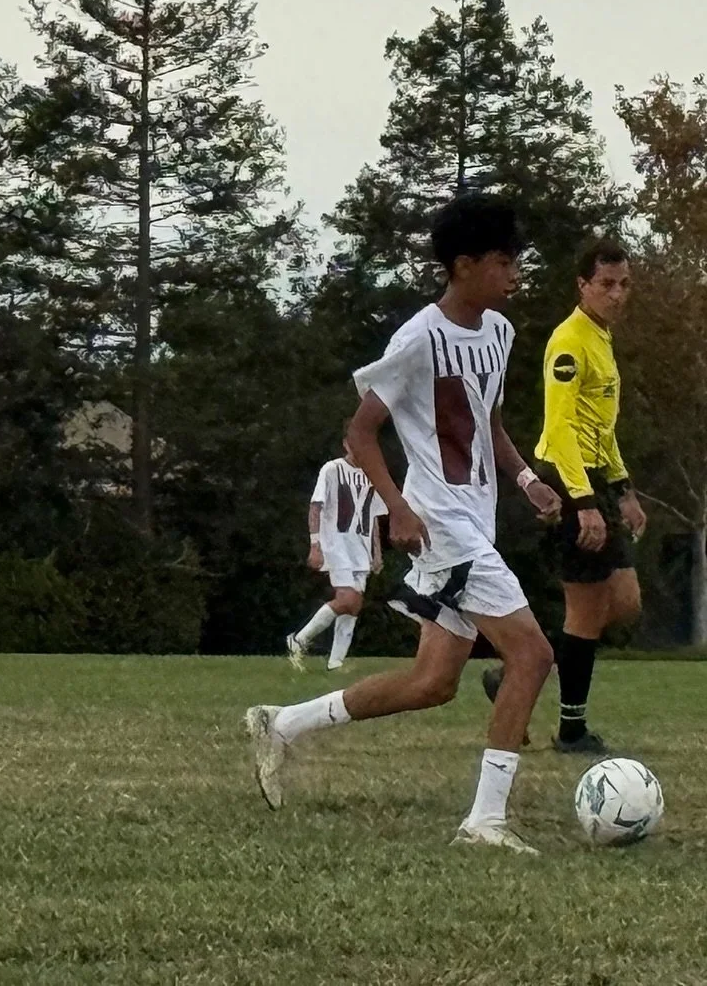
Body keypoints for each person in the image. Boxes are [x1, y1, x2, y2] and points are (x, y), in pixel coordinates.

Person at [246, 194, 562, 853]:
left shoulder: (499, 334)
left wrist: (527, 480)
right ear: (465, 264)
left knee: (433, 683)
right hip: (445, 526)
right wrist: (397, 505)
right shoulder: (420, 335)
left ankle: (281, 723)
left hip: (475, 523)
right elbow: (359, 432)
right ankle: (485, 821)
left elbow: (489, 424)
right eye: (504, 262)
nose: (514, 274)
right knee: (532, 654)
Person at [482, 240, 645, 755]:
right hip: (571, 479)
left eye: (623, 285)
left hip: (595, 479)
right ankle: (571, 729)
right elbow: (562, 426)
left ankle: (517, 671)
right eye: (606, 285)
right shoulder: (570, 342)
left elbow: (601, 427)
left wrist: (624, 491)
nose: (617, 295)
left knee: (622, 603)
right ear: (582, 285)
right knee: (587, 606)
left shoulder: (602, 338)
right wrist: (585, 501)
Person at [286, 427, 386, 672]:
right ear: (346, 444)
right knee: (347, 599)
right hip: (337, 544)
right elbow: (316, 507)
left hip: (360, 549)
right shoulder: (332, 469)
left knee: (354, 606)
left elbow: (372, 517)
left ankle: (335, 662)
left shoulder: (372, 475)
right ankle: (299, 639)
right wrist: (315, 544)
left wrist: (377, 552)